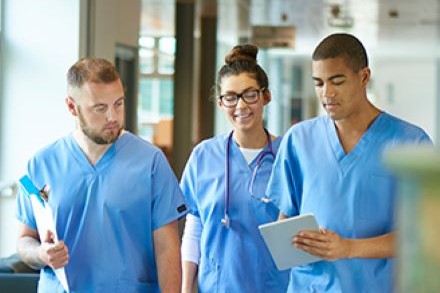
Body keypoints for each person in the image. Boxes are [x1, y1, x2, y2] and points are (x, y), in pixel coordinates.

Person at [266, 33, 433, 292]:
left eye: (337, 81)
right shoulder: (299, 139)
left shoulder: (410, 142)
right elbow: (285, 220)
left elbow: (424, 236)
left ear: (364, 77)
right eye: (318, 83)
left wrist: (348, 248)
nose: (327, 93)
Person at [16, 57, 187, 293]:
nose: (113, 117)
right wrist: (41, 254)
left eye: (118, 104)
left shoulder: (150, 162)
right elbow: (25, 239)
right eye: (100, 108)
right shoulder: (41, 164)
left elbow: (167, 248)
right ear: (71, 107)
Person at [179, 44, 289, 293]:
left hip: (274, 286)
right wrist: (186, 288)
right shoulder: (204, 156)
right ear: (220, 102)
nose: (240, 106)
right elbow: (194, 227)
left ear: (266, 96)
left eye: (250, 94)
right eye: (230, 97)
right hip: (217, 286)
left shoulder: (286, 157)